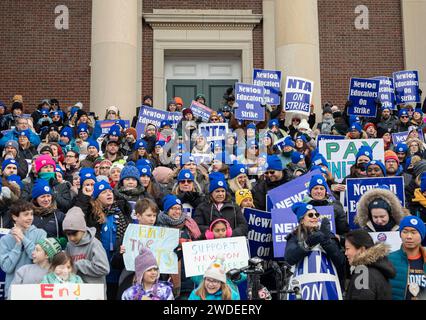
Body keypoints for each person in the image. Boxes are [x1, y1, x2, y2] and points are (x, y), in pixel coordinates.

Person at [284, 202, 346, 286]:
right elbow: (290, 258)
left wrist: (326, 241)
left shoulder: (327, 233)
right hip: (304, 283)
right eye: (310, 215)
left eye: (316, 215)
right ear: (302, 220)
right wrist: (307, 244)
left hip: (327, 284)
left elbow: (341, 262)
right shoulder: (294, 237)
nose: (314, 217)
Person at [0, 200, 47, 298]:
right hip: (13, 291)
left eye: (31, 214)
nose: (30, 218)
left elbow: (37, 258)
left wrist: (23, 238)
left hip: (36, 289)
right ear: (14, 217)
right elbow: (7, 268)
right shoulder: (5, 240)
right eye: (26, 214)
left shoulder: (41, 234)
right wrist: (17, 245)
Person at [157, 194, 201, 298]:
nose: (177, 212)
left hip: (187, 277)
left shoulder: (189, 226)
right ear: (166, 210)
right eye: (173, 208)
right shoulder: (159, 226)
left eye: (179, 208)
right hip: (166, 277)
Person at [62, 206, 110, 298]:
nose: (71, 238)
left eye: (74, 234)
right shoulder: (69, 245)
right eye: (68, 234)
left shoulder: (95, 244)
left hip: (94, 293)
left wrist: (79, 265)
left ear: (83, 229)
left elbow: (104, 268)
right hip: (76, 293)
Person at [344, 229, 396, 300]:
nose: (345, 253)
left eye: (348, 249)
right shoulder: (379, 268)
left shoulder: (363, 274)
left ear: (362, 250)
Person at [194, 172, 248, 238]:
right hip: (210, 244)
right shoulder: (202, 207)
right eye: (217, 191)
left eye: (223, 191)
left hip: (231, 243)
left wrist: (231, 233)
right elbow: (197, 226)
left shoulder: (234, 207)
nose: (220, 194)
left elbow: (243, 225)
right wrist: (210, 232)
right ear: (211, 193)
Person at [388, 216, 426, 300]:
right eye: (405, 232)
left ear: (422, 235)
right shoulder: (389, 259)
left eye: (413, 232)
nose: (409, 236)